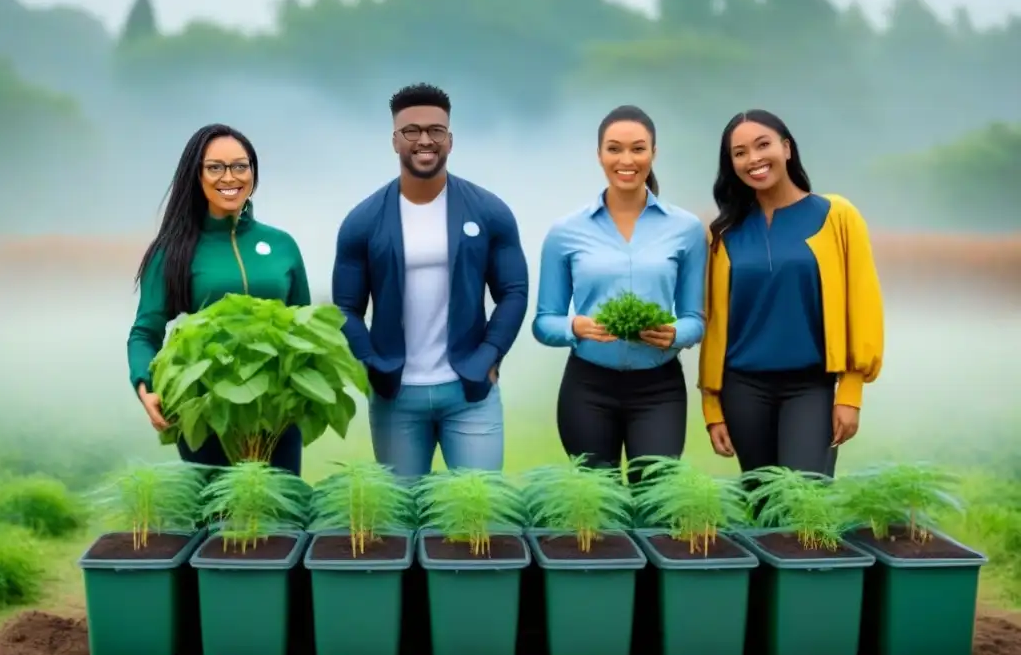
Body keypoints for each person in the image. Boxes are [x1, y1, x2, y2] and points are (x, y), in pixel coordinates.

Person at [332, 83, 528, 482]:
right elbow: (345, 309)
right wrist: (371, 363)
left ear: (450, 140)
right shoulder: (363, 220)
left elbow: (513, 292)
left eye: (436, 131)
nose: (425, 140)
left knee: (480, 514)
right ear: (394, 140)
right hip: (396, 397)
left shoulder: (489, 211)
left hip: (470, 392)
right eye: (412, 131)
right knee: (402, 519)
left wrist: (489, 356)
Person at [698, 109, 884, 485]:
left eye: (762, 145)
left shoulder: (837, 216)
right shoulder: (722, 234)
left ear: (786, 148)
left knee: (806, 501)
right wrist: (712, 407)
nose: (753, 159)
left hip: (810, 386)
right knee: (764, 504)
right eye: (739, 152)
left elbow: (862, 306)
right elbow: (714, 322)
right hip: (742, 388)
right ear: (731, 164)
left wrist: (850, 392)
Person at [532, 105, 707, 478]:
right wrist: (575, 327)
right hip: (588, 387)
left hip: (659, 388)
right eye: (614, 149)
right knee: (597, 508)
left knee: (657, 501)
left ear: (653, 154)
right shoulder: (566, 232)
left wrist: (676, 333)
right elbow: (544, 321)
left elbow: (696, 318)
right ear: (599, 155)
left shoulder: (686, 229)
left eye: (638, 148)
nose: (626, 160)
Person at [127, 123, 311, 475]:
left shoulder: (282, 246)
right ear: (196, 174)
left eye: (240, 166)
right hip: (206, 410)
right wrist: (145, 385)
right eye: (215, 167)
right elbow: (145, 332)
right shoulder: (172, 251)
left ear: (253, 172)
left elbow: (303, 325)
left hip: (278, 411)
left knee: (281, 521)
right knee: (217, 524)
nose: (230, 177)